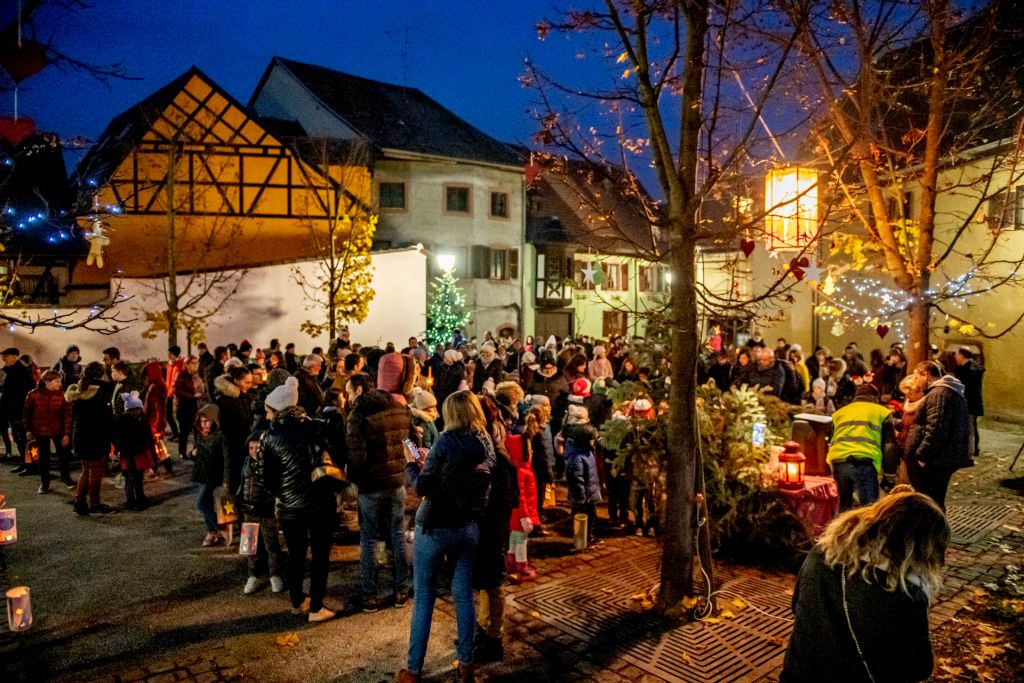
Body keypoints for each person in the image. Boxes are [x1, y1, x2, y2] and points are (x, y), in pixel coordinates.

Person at [781, 492, 948, 683]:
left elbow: (796, 606)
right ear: (922, 548)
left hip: (798, 674)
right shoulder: (906, 591)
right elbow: (919, 667)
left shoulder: (822, 552)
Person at [400, 391, 496, 683]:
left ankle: (413, 670)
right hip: (467, 526)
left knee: (424, 597)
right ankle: (467, 664)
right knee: (464, 597)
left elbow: (422, 487)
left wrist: (411, 464)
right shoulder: (486, 442)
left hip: (435, 526)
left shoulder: (444, 442)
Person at [261, 376, 338, 623]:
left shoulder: (269, 437)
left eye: (268, 411)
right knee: (320, 555)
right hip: (320, 503)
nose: (266, 416)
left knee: (295, 554)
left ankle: (297, 601)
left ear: (277, 410)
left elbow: (266, 478)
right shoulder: (315, 428)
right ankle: (316, 606)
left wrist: (283, 495)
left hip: (289, 508)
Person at [345, 372, 414, 612]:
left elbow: (357, 458)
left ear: (359, 390)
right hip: (396, 483)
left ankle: (369, 595)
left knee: (369, 539)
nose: (348, 398)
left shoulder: (358, 416)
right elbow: (412, 442)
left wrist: (354, 480)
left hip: (370, 486)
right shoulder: (401, 409)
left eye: (349, 392)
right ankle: (401, 591)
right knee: (397, 534)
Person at [905, 361, 971, 510]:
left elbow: (936, 428)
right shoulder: (943, 392)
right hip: (939, 459)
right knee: (932, 501)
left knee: (930, 502)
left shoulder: (939, 394)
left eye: (916, 377)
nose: (915, 382)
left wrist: (922, 456)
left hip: (935, 462)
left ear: (925, 375)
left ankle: (932, 525)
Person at [827, 383, 899, 511]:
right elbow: (889, 446)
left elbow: (832, 440)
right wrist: (889, 477)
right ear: (875, 397)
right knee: (868, 511)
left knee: (843, 509)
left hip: (838, 463)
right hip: (864, 464)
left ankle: (843, 524)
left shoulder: (839, 413)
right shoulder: (882, 412)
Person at [238, 430, 285, 595]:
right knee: (250, 546)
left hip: (266, 512)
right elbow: (242, 484)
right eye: (251, 448)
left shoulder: (270, 465)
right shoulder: (246, 463)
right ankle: (253, 575)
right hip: (249, 511)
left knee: (271, 545)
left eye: (257, 448)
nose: (253, 452)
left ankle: (275, 575)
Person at [65, 362, 115, 516]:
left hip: (81, 435)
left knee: (86, 469)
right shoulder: (102, 391)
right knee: (96, 471)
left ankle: (79, 502)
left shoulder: (80, 390)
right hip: (96, 436)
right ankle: (94, 504)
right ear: (101, 374)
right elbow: (106, 418)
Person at [23, 370, 74, 492]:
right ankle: (44, 482)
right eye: (57, 381)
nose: (59, 384)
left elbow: (68, 415)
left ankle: (66, 477)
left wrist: (67, 434)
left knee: (63, 455)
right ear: (47, 381)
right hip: (40, 430)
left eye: (60, 381)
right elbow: (26, 413)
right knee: (43, 457)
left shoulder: (62, 395)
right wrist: (28, 429)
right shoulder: (34, 395)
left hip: (58, 430)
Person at [560, 404, 602, 545]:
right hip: (584, 497)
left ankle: (586, 536)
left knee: (590, 516)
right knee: (587, 516)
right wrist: (581, 499)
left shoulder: (584, 451)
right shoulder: (577, 456)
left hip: (587, 493)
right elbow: (576, 480)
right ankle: (584, 538)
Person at [214, 366, 254, 496]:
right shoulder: (225, 401)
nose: (249, 385)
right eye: (246, 382)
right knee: (232, 479)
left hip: (243, 443)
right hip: (232, 446)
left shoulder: (244, 397)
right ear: (237, 381)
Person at [192, 404, 228, 546]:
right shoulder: (200, 435)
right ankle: (212, 531)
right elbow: (196, 453)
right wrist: (192, 453)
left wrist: (226, 478)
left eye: (207, 421)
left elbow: (225, 458)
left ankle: (218, 529)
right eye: (202, 421)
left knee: (201, 503)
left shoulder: (219, 436)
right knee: (206, 504)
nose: (204, 424)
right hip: (201, 474)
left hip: (213, 475)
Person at [112, 391, 155, 511]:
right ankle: (131, 500)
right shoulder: (123, 421)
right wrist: (119, 448)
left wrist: (149, 448)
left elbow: (148, 436)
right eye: (132, 409)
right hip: (129, 454)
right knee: (130, 478)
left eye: (137, 409)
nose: (135, 412)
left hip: (138, 454)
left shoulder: (142, 420)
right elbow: (116, 437)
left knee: (138, 477)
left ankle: (140, 497)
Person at [2, 347, 33, 463]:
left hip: (19, 409)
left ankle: (31, 463)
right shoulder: (9, 370)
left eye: (6, 356)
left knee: (24, 438)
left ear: (15, 356)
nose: (4, 359)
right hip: (12, 409)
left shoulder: (22, 371)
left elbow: (25, 390)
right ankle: (24, 462)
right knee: (18, 438)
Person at [953, 347, 984, 460]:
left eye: (957, 354)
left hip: (969, 403)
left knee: (970, 427)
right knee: (970, 426)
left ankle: (970, 452)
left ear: (962, 355)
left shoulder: (969, 370)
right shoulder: (970, 368)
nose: (955, 357)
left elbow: (967, 388)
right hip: (970, 403)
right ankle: (972, 449)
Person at [142, 361, 172, 476]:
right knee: (157, 447)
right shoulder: (160, 384)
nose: (145, 377)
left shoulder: (154, 387)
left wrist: (156, 426)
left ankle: (158, 469)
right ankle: (159, 469)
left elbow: (157, 408)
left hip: (153, 422)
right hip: (156, 422)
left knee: (156, 447)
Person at [174, 356, 204, 459]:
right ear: (187, 365)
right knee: (184, 430)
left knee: (197, 429)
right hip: (184, 406)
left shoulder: (198, 375)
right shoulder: (181, 375)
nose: (196, 365)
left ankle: (196, 451)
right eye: (193, 363)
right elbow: (176, 390)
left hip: (197, 405)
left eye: (197, 363)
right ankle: (182, 452)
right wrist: (192, 396)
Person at [165, 346, 184, 441]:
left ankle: (180, 435)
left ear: (175, 354)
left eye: (170, 353)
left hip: (177, 394)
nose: (168, 355)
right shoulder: (169, 364)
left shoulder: (180, 364)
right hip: (169, 394)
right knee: (168, 415)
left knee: (178, 416)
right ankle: (175, 432)